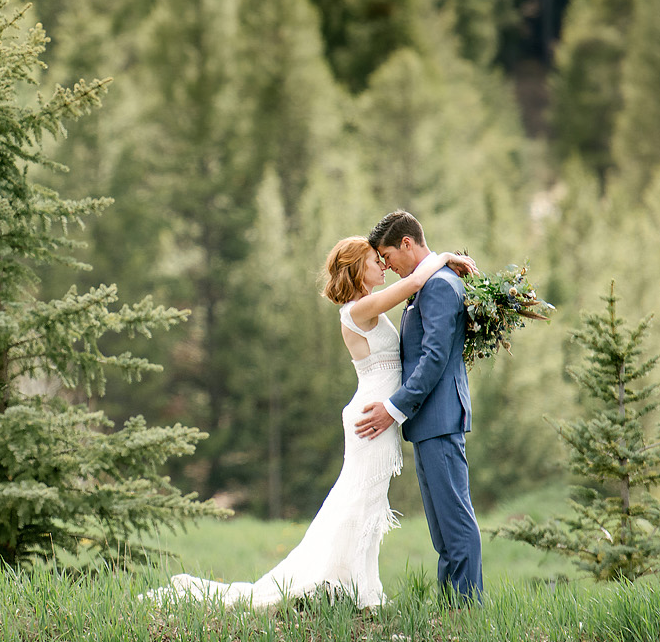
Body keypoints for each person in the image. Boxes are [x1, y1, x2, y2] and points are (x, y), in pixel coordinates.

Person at [141, 235, 473, 609]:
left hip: (378, 415)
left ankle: (359, 586)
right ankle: (356, 590)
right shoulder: (357, 309)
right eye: (374, 260)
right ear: (356, 269)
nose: (382, 265)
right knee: (360, 502)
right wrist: (443, 257)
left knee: (366, 502)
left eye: (383, 259)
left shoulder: (369, 308)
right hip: (371, 417)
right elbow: (414, 282)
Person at [352, 209, 482, 602]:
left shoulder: (439, 285)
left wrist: (393, 408)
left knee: (455, 520)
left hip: (439, 418)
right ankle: (452, 611)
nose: (386, 266)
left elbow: (434, 357)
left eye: (387, 256)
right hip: (427, 421)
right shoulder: (427, 285)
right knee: (442, 527)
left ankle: (467, 612)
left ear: (406, 244)